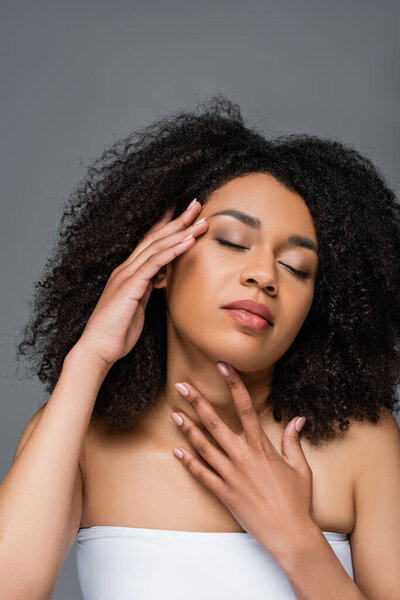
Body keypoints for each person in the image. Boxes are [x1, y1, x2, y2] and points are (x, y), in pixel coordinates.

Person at [1, 95, 399, 599]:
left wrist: (295, 537)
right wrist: (89, 357)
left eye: (297, 267)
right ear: (162, 264)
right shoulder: (77, 435)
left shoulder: (362, 443)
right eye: (233, 241)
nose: (264, 276)